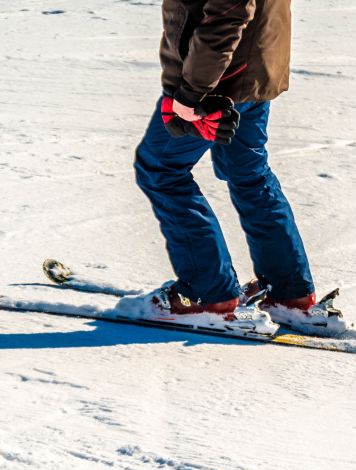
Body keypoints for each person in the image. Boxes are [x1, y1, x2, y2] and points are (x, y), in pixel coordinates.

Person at [135, 0, 316, 317]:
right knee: (249, 173)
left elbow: (227, 14)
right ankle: (289, 292)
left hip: (218, 83)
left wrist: (192, 92)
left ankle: (207, 293)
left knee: (161, 169)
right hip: (253, 71)